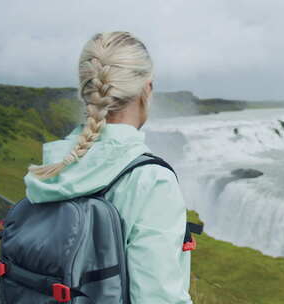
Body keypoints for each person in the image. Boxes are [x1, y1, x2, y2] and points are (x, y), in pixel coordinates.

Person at [23, 31, 193, 304]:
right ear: (147, 89)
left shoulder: (52, 166)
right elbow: (157, 297)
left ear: (86, 91)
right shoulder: (150, 178)